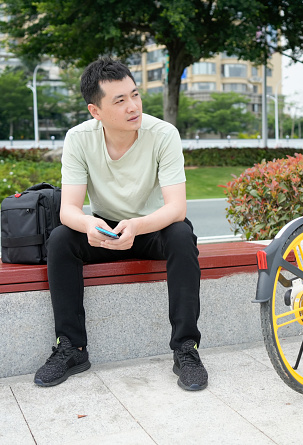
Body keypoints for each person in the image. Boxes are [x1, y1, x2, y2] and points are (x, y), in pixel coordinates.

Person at [34, 57, 208, 391]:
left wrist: (137, 226)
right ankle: (72, 348)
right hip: (104, 231)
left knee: (182, 235)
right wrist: (88, 225)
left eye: (135, 95)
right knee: (60, 240)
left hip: (153, 226)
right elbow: (68, 209)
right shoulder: (78, 139)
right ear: (95, 111)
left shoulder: (163, 134)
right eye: (120, 100)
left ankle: (186, 348)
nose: (133, 106)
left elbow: (176, 207)